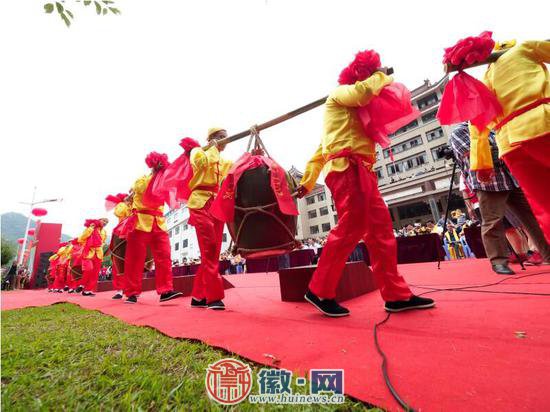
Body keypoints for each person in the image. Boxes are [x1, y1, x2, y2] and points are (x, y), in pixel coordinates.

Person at [296, 50, 434, 316]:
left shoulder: (350, 118)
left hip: (360, 172)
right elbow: (361, 93)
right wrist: (381, 75)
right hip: (346, 170)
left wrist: (308, 181)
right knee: (352, 226)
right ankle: (319, 290)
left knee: (381, 233)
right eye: (373, 74)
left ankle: (396, 295)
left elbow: (318, 153)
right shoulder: (339, 95)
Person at [469, 40, 550, 242]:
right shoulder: (524, 49)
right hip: (541, 122)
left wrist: (482, 164)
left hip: (508, 142)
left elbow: (477, 123)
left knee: (543, 205)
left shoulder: (485, 78)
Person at [450, 122, 550, 274]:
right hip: (487, 182)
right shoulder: (460, 131)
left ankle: (547, 253)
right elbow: (471, 153)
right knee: (492, 221)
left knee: (531, 217)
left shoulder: (491, 128)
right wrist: (502, 147)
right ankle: (498, 262)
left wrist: (502, 146)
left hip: (510, 177)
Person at [116, 153, 183, 304]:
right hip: (140, 222)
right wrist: (157, 174)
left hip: (159, 222)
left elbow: (176, 182)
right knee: (135, 260)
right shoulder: (141, 180)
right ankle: (132, 292)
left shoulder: (165, 179)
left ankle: (165, 290)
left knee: (165, 256)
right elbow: (145, 189)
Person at [187, 128, 232, 310]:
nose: (224, 140)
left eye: (225, 137)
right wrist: (212, 147)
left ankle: (198, 297)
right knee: (210, 247)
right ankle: (213, 297)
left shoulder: (225, 161)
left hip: (216, 204)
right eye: (220, 137)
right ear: (211, 139)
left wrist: (253, 156)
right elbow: (201, 163)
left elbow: (235, 172)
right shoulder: (198, 151)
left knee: (212, 252)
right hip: (199, 202)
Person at [105, 193, 132, 299]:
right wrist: (124, 203)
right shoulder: (122, 205)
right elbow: (118, 212)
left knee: (133, 262)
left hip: (134, 232)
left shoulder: (135, 203)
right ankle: (119, 290)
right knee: (118, 262)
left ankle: (132, 289)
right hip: (121, 233)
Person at [77, 219, 108, 296]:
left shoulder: (104, 232)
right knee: (88, 269)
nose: (105, 223)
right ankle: (82, 284)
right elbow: (81, 239)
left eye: (106, 222)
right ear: (98, 220)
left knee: (95, 273)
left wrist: (100, 245)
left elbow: (103, 241)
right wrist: (90, 229)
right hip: (89, 252)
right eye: (103, 221)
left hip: (98, 253)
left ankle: (88, 290)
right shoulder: (90, 228)